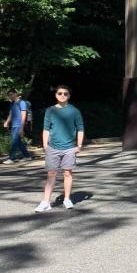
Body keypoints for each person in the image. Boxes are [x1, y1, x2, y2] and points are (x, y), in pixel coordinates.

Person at [36, 85, 84, 213]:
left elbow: (80, 128)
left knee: (67, 173)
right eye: (60, 93)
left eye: (65, 93)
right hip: (53, 147)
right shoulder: (50, 111)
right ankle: (45, 202)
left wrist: (79, 145)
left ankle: (67, 199)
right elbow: (46, 128)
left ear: (69, 96)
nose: (62, 95)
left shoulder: (74, 111)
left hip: (69, 148)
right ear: (56, 95)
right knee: (51, 174)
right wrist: (45, 145)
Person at [3, 89, 31, 163]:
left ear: (16, 94)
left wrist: (21, 127)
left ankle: (12, 158)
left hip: (19, 125)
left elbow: (23, 114)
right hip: (14, 125)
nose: (10, 96)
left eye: (12, 94)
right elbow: (11, 113)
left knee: (14, 141)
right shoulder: (12, 103)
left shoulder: (21, 103)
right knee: (18, 141)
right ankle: (27, 156)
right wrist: (7, 122)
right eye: (9, 95)